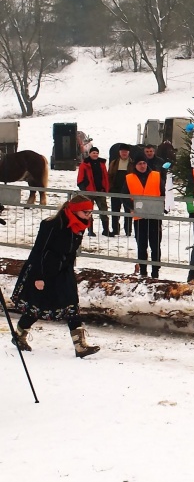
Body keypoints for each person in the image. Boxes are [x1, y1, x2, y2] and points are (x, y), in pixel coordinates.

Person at [10, 194, 100, 358]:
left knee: (72, 304)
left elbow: (70, 251)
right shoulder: (52, 225)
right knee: (37, 306)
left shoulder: (79, 225)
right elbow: (39, 251)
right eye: (86, 212)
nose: (89, 216)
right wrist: (38, 276)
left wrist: (68, 270)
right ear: (75, 210)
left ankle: (80, 345)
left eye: (90, 212)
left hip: (63, 270)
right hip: (43, 270)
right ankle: (19, 335)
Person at [126, 153, 163, 278]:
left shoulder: (156, 176)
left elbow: (164, 192)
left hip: (154, 216)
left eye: (144, 163)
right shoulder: (129, 178)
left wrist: (164, 207)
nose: (142, 166)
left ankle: (155, 271)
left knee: (155, 245)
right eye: (139, 164)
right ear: (135, 165)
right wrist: (131, 208)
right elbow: (123, 196)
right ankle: (143, 271)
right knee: (141, 245)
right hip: (139, 217)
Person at [76, 146, 110, 237]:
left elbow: (105, 177)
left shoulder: (102, 164)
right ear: (90, 154)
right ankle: (90, 230)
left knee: (104, 210)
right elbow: (80, 178)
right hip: (89, 192)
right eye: (93, 153)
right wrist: (84, 188)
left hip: (100, 191)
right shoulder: (84, 164)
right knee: (88, 212)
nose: (95, 154)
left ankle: (106, 230)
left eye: (96, 153)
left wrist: (106, 188)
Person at [108, 143, 133, 237]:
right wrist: (110, 187)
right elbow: (110, 175)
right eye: (122, 151)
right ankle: (115, 229)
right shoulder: (114, 163)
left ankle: (128, 230)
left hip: (128, 191)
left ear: (128, 153)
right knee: (115, 211)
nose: (124, 153)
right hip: (115, 190)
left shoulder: (132, 163)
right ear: (119, 152)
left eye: (126, 151)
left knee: (128, 211)